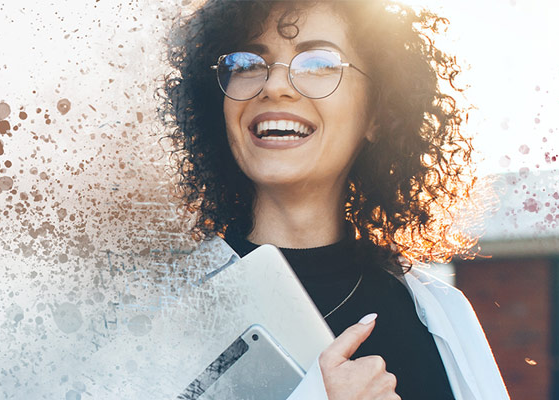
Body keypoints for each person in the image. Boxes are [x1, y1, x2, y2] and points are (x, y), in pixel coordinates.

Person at [164, 0, 507, 398]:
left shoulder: (443, 315)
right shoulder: (161, 308)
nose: (273, 85)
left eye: (318, 63)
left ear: (378, 114)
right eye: (247, 63)